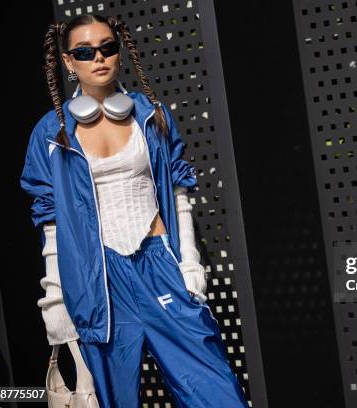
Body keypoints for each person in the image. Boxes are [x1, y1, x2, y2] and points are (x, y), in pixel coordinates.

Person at [20, 13, 249, 408]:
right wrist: (56, 299)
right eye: (85, 52)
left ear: (119, 52)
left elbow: (178, 191)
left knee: (216, 394)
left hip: (159, 263)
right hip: (98, 282)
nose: (99, 58)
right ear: (68, 62)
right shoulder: (49, 134)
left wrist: (189, 263)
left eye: (108, 47)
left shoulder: (149, 114)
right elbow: (51, 219)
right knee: (115, 400)